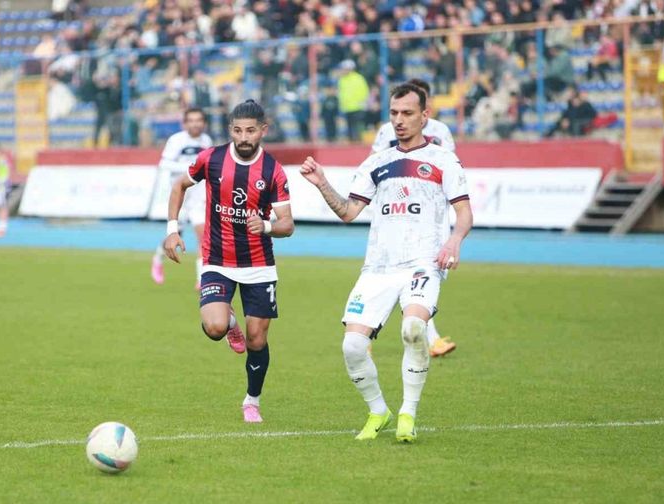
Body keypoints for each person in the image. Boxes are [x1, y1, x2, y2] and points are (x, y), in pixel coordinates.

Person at [300, 83, 472, 442]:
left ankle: (408, 413)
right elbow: (348, 212)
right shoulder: (377, 162)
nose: (399, 120)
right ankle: (378, 410)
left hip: (423, 262)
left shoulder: (443, 160)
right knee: (352, 347)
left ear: (425, 116)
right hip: (378, 267)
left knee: (412, 328)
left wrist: (454, 240)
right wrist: (321, 183)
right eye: (394, 113)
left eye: (407, 113)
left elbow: (464, 211)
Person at [163, 100, 294, 424]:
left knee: (258, 340)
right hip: (217, 260)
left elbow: (287, 224)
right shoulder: (212, 159)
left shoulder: (273, 171)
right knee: (215, 327)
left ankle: (252, 400)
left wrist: (264, 226)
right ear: (230, 130)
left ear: (263, 130)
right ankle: (230, 325)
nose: (244, 137)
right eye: (237, 130)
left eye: (250, 130)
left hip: (259, 265)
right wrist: (172, 230)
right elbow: (179, 185)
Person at [369, 80, 459, 358]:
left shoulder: (440, 131)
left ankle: (423, 336)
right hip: (395, 215)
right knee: (405, 276)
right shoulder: (387, 132)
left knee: (420, 275)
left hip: (429, 216)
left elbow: (450, 165)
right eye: (397, 111)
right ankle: (367, 332)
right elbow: (373, 164)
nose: (402, 119)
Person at [151, 108, 214, 288]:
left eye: (199, 120)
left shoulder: (206, 141)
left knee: (203, 236)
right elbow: (164, 163)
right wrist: (190, 168)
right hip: (180, 195)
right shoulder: (176, 140)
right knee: (175, 236)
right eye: (191, 120)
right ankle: (158, 257)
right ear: (185, 124)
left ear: (204, 123)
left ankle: (202, 279)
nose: (195, 123)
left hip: (199, 196)